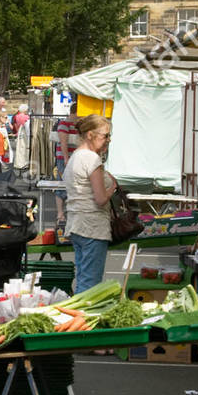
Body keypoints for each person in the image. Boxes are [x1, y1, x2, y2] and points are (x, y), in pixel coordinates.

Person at [63, 114, 117, 292]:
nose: (108, 140)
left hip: (76, 224)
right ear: (90, 135)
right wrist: (113, 188)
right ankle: (83, 318)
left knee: (83, 279)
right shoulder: (92, 159)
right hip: (93, 227)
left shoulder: (75, 157)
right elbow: (100, 199)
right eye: (105, 135)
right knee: (90, 285)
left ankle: (78, 315)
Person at [55, 104, 80, 229]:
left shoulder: (79, 125)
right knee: (61, 185)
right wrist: (66, 158)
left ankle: (70, 213)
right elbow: (63, 142)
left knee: (73, 186)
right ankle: (60, 214)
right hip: (65, 159)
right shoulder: (64, 124)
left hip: (75, 159)